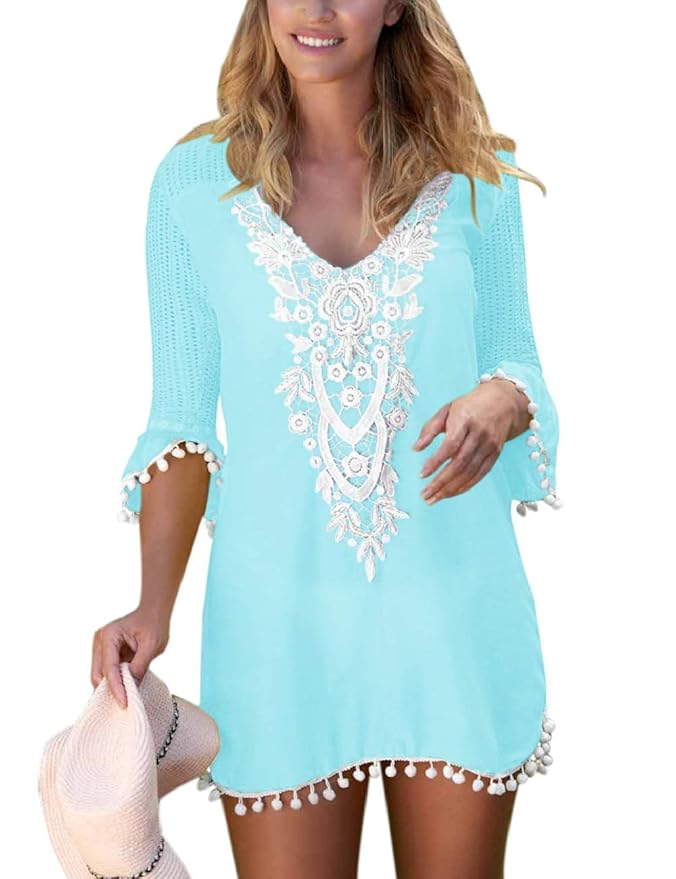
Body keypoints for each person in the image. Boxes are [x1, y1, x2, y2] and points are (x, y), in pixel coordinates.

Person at [91, 1, 561, 876]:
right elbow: (181, 423)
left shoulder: (475, 177)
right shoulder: (194, 186)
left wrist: (504, 397)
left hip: (454, 621)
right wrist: (152, 608)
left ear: (395, 7)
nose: (315, 9)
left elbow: (518, 360)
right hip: (276, 632)